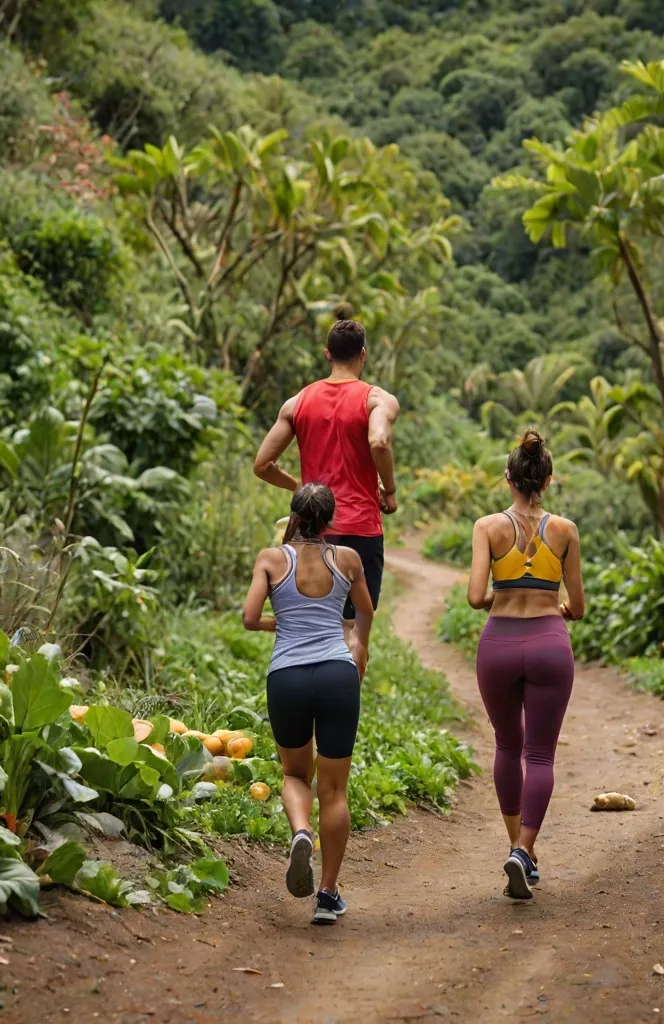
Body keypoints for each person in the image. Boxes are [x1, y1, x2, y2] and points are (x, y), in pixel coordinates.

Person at [243, 483, 375, 924]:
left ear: (294, 515)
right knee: (334, 790)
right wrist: (359, 650)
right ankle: (328, 895)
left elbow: (248, 618)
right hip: (338, 676)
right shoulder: (348, 560)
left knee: (295, 774)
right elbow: (365, 613)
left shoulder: (271, 559)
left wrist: (276, 624)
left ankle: (301, 832)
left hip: (288, 677)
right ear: (330, 520)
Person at [466, 430, 585, 901]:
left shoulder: (487, 527)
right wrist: (548, 599)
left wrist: (508, 592)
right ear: (548, 481)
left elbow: (476, 597)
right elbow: (576, 605)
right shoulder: (566, 531)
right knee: (540, 754)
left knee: (506, 745)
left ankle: (516, 844)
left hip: (498, 645)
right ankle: (525, 851)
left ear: (507, 478)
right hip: (549, 644)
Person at [253, 314, 400, 629]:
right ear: (363, 355)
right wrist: (389, 491)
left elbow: (262, 465)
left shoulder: (297, 403)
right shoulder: (377, 399)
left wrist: (298, 489)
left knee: (314, 625)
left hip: (313, 530)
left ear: (327, 355)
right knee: (356, 629)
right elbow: (378, 441)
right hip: (361, 531)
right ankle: (350, 678)